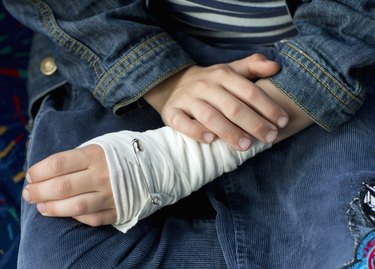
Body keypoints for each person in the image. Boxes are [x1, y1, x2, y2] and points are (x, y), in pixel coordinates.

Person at [4, 0, 375, 268]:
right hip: (119, 45)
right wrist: (164, 80)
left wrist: (175, 158)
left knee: (359, 249)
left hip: (321, 63)